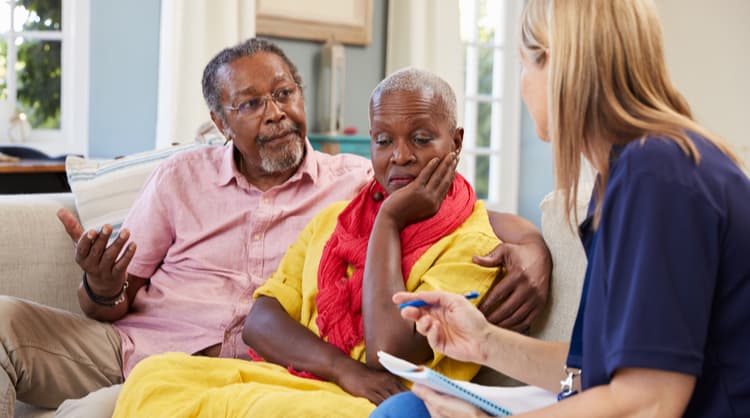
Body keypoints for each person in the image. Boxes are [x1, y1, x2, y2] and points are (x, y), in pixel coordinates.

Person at [0, 39, 551, 417]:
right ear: (220, 122)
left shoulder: (358, 184)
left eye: (285, 93)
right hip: (143, 345)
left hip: (277, 368)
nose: (275, 113)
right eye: (251, 103)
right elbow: (110, 305)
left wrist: (533, 247)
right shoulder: (179, 179)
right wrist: (100, 286)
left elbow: (460, 209)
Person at [371, 0, 750, 417]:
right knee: (407, 408)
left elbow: (649, 403)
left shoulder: (658, 175)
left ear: (557, 63)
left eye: (525, 65)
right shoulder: (634, 173)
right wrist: (484, 341)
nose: (522, 85)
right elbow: (591, 373)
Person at [111, 67, 509, 417]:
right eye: (384, 141)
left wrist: (389, 221)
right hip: (317, 378)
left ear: (455, 142)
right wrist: (342, 369)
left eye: (421, 139)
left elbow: (388, 353)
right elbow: (260, 322)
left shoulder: (471, 244)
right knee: (155, 376)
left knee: (265, 409)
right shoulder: (336, 220)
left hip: (391, 401)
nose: (400, 156)